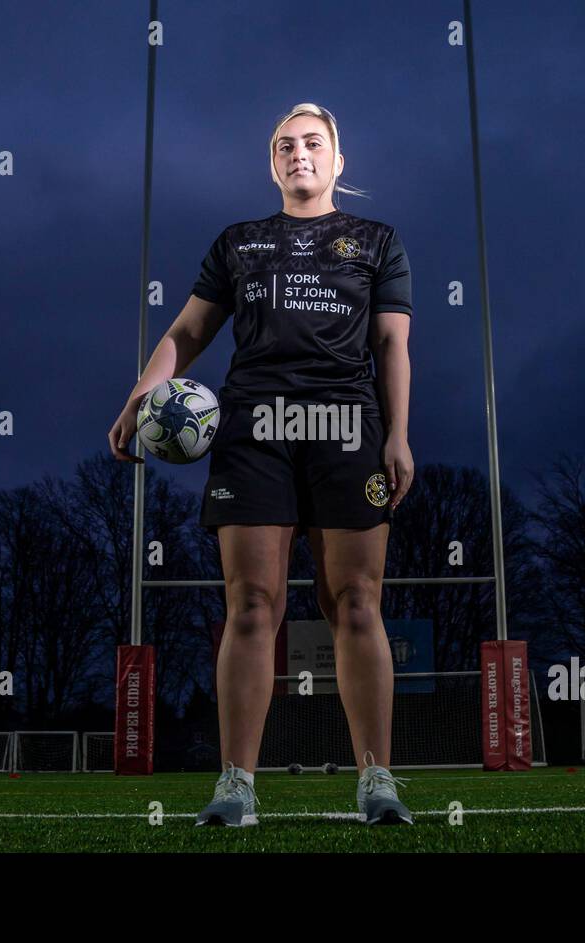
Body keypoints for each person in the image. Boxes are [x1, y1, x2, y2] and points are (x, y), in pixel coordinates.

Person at [108, 102, 414, 825]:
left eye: (313, 142)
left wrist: (397, 435)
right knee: (250, 604)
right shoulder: (240, 243)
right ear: (272, 163)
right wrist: (139, 395)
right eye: (284, 144)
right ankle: (236, 784)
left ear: (339, 160)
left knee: (356, 603)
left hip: (347, 426)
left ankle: (377, 777)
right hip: (255, 430)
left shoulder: (376, 241)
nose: (298, 152)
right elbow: (188, 330)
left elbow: (392, 345)